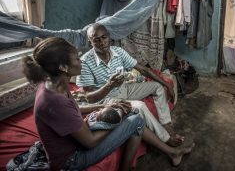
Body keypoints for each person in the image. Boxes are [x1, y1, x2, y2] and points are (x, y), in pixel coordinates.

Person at [22, 37, 194, 170]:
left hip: (79, 134)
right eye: (75, 58)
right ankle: (170, 152)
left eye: (105, 37)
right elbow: (89, 142)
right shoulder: (54, 100)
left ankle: (171, 150)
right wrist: (116, 118)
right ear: (63, 67)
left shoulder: (55, 84)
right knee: (136, 119)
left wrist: (104, 108)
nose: (80, 60)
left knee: (131, 112)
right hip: (71, 159)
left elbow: (77, 107)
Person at [76, 23, 183, 144]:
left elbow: (143, 70)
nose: (102, 42)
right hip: (108, 99)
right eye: (96, 40)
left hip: (124, 88)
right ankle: (166, 138)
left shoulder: (118, 52)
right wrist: (109, 85)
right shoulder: (85, 62)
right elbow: (89, 98)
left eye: (104, 37)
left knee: (158, 87)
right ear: (91, 43)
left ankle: (166, 124)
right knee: (140, 106)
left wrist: (167, 85)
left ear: (109, 37)